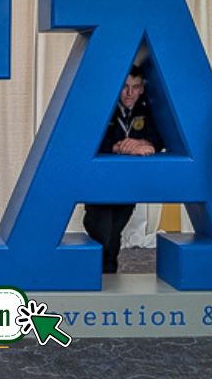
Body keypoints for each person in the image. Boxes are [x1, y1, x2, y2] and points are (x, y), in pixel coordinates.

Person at [82, 65, 163, 274]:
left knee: (114, 234)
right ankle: (96, 279)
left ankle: (108, 279)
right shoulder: (104, 107)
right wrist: (116, 147)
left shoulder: (148, 109)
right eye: (125, 86)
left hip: (127, 184)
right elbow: (88, 140)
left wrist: (145, 143)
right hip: (99, 183)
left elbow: (160, 138)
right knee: (102, 233)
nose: (129, 93)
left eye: (135, 87)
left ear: (142, 89)